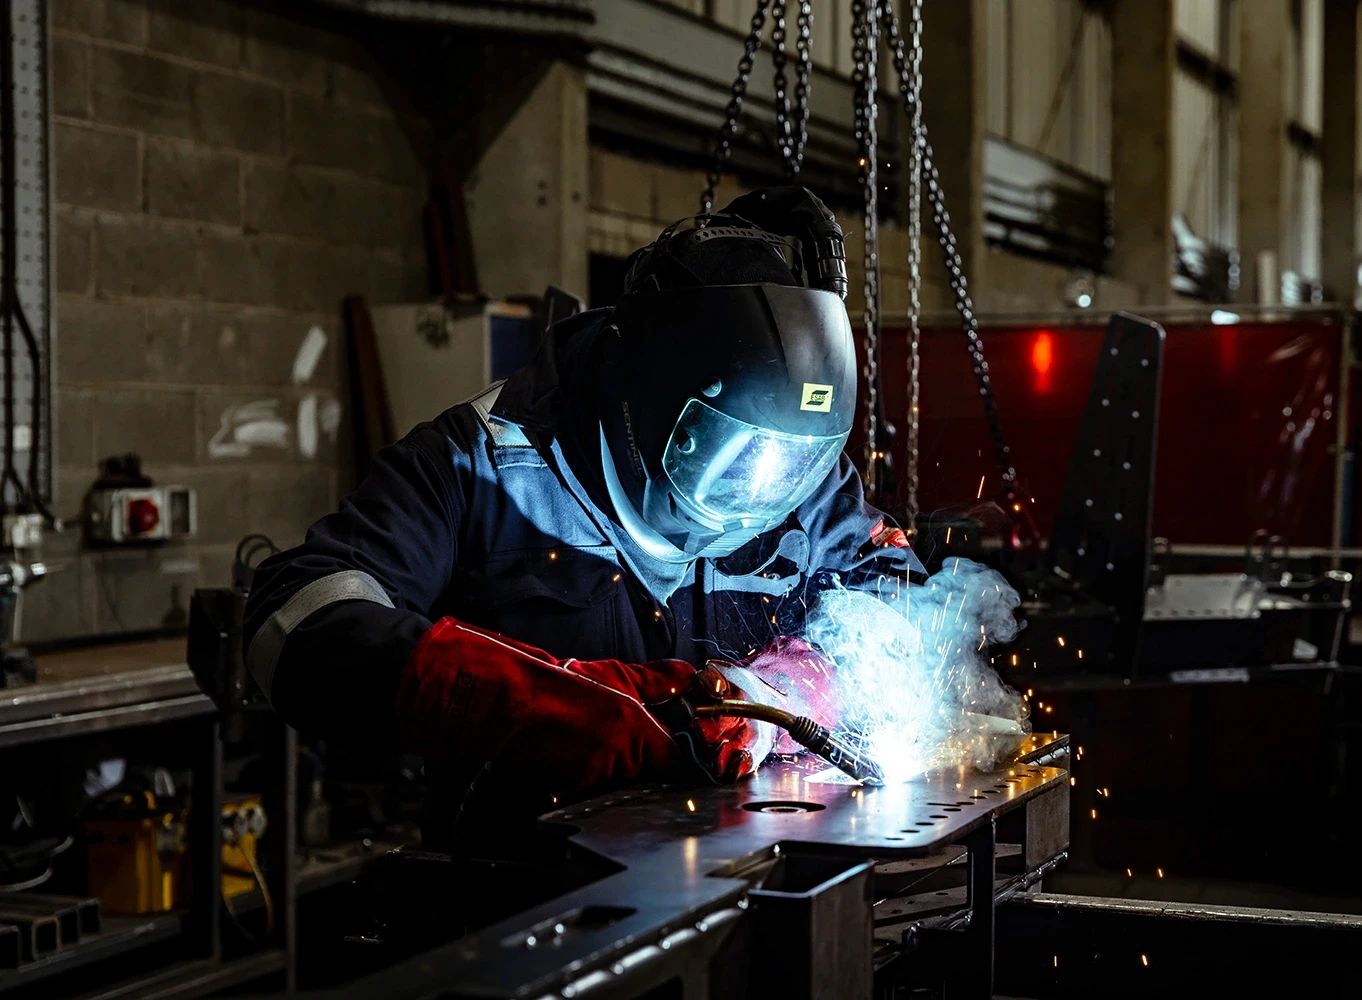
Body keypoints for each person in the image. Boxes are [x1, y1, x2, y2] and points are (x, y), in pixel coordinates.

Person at [243, 187, 922, 838]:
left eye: (792, 468)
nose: (760, 495)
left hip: (756, 882)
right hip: (529, 900)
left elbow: (904, 599)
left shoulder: (795, 466)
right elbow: (294, 619)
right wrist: (550, 705)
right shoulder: (476, 467)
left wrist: (793, 690)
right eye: (729, 453)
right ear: (643, 396)